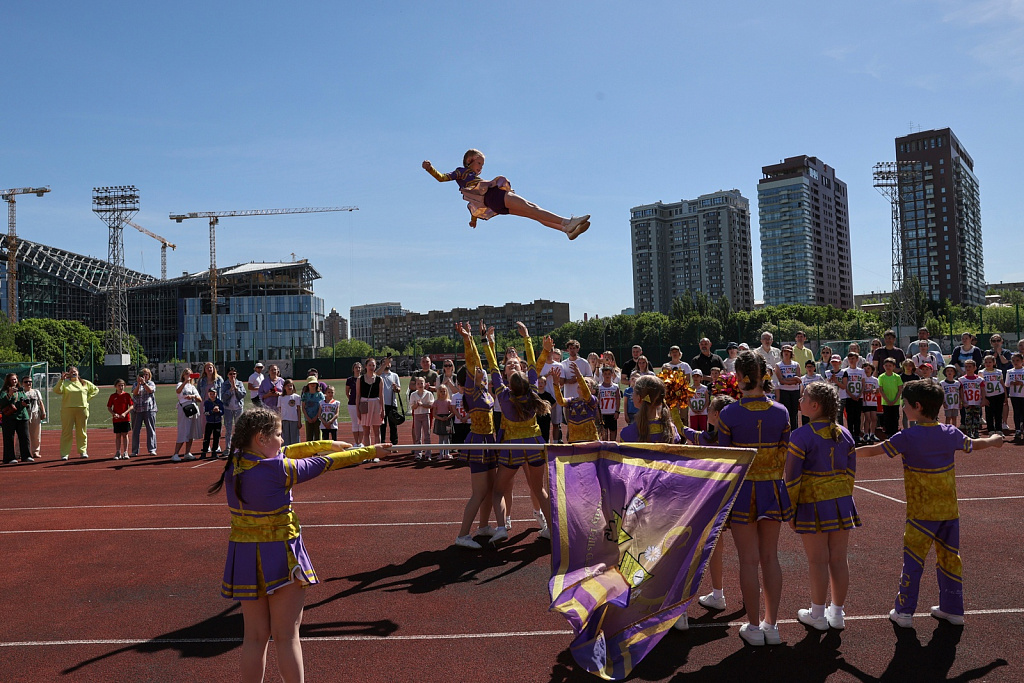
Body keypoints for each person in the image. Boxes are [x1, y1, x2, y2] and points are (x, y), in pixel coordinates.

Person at [209, 407, 389, 683]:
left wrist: (327, 443)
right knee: (286, 636)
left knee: (254, 638)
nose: (282, 441)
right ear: (261, 438)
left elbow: (289, 452)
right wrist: (371, 451)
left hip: (245, 557)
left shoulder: (235, 462)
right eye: (279, 435)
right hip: (280, 555)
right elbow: (327, 464)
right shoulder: (278, 470)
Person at [856, 380, 1004, 628]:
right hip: (949, 512)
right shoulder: (949, 432)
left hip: (920, 514)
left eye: (905, 404)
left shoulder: (907, 436)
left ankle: (904, 612)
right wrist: (994, 439)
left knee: (913, 561)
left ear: (917, 406)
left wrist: (846, 450)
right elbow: (974, 444)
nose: (903, 407)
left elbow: (873, 451)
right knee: (950, 558)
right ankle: (953, 609)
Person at [716, 351, 792, 646]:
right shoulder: (782, 412)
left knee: (748, 560)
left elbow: (725, 462)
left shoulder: (728, 413)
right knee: (770, 557)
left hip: (743, 493)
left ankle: (753, 626)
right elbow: (784, 451)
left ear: (739, 377)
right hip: (772, 490)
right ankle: (771, 626)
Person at [786, 381, 859, 631]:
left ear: (814, 405)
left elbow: (792, 479)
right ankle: (837, 614)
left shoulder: (800, 435)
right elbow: (851, 474)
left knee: (817, 561)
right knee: (839, 559)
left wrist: (791, 509)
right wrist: (843, 498)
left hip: (812, 503)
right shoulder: (845, 433)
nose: (800, 401)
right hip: (841, 502)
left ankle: (817, 614)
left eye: (804, 397)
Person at [423, 149, 591, 239]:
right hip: (494, 196)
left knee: (533, 215)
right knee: (532, 208)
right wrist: (430, 169)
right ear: (469, 161)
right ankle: (567, 222)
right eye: (479, 163)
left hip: (494, 204)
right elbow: (443, 178)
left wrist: (473, 220)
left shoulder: (473, 181)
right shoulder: (462, 172)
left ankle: (566, 230)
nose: (481, 167)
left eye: (482, 164)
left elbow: (473, 205)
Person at [485, 322, 551, 545]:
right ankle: (552, 529)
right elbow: (532, 365)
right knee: (539, 489)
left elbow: (493, 367)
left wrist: (487, 342)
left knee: (497, 490)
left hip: (512, 447)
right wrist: (527, 337)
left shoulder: (503, 395)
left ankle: (502, 527)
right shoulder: (532, 390)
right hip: (533, 444)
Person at [685, 394, 737, 620]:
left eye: (710, 409)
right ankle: (746, 593)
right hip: (740, 495)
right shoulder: (737, 434)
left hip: (715, 497)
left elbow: (696, 438)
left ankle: (718, 593)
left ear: (716, 415)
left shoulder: (712, 436)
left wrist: (678, 423)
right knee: (748, 550)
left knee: (713, 546)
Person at [453, 322, 501, 550]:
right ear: (469, 378)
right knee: (480, 491)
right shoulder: (472, 391)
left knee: (491, 488)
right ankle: (462, 535)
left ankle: (483, 526)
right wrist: (468, 338)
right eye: (476, 371)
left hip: (489, 440)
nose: (481, 370)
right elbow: (473, 362)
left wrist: (487, 341)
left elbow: (483, 362)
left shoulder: (483, 389)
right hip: (479, 441)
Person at [54, 366, 98, 460]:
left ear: (78, 373)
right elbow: (57, 390)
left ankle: (83, 451)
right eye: (71, 372)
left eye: (75, 371)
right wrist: (61, 380)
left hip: (82, 409)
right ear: (68, 373)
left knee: (82, 431)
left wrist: (87, 398)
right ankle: (65, 453)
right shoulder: (65, 383)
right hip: (67, 410)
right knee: (66, 432)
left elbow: (95, 390)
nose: (73, 373)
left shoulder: (84, 382)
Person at [621, 375, 680, 444]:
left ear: (639, 398)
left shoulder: (627, 433)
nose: (632, 395)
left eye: (633, 392)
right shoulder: (672, 430)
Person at [551, 363, 599, 443]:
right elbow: (560, 401)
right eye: (580, 382)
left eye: (586, 382)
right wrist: (556, 384)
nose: (580, 384)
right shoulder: (571, 401)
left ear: (593, 390)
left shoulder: (592, 400)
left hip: (590, 440)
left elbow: (586, 394)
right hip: (574, 440)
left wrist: (579, 377)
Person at [1, 373, 33, 463]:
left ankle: (26, 456)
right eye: (12, 379)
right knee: (9, 438)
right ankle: (10, 458)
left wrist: (25, 403)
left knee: (25, 437)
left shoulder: (20, 390)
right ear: (8, 380)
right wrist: (9, 395)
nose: (14, 381)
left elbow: (26, 400)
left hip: (22, 416)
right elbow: (2, 402)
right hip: (9, 417)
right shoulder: (4, 391)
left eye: (15, 379)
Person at [173, 369, 201, 462]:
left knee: (191, 431)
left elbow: (199, 399)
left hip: (192, 409)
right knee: (183, 430)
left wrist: (192, 396)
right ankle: (176, 454)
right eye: (186, 374)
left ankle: (187, 452)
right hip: (184, 409)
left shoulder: (192, 386)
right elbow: (178, 391)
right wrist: (185, 382)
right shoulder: (180, 384)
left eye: (190, 374)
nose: (188, 375)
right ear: (183, 375)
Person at [355, 358, 383, 447]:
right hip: (364, 405)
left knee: (376, 431)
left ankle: (377, 453)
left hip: (376, 404)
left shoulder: (379, 379)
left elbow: (381, 395)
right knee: (366, 432)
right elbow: (358, 395)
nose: (371, 367)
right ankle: (368, 453)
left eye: (373, 365)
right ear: (366, 366)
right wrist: (357, 410)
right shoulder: (360, 379)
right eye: (369, 365)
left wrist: (383, 410)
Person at [839, 352, 866, 445]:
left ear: (857, 359)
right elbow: (845, 385)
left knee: (857, 416)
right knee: (850, 417)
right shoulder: (845, 371)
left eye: (853, 358)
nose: (851, 360)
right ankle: (850, 434)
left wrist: (859, 395)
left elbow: (863, 384)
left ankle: (857, 435)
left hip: (859, 397)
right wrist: (851, 395)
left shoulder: (861, 371)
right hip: (849, 397)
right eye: (850, 358)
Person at [987, 335, 1013, 431]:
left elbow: (1006, 362)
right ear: (991, 342)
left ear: (1002, 341)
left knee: (1005, 402)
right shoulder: (988, 352)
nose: (996, 342)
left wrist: (999, 353)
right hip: (991, 381)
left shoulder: (1007, 352)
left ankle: (1004, 422)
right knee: (992, 402)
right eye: (994, 340)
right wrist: (994, 354)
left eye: (998, 340)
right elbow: (987, 363)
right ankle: (993, 421)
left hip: (1003, 378)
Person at [131, 369, 158, 458]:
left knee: (150, 430)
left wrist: (144, 383)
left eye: (146, 374)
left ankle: (152, 449)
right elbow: (135, 393)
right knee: (135, 431)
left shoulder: (151, 383)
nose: (144, 376)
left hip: (149, 409)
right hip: (137, 410)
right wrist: (139, 384)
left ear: (149, 375)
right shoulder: (135, 384)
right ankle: (135, 450)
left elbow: (150, 391)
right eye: (143, 374)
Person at [198, 362, 223, 453]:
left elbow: (222, 391)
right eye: (207, 368)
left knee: (216, 425)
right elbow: (198, 392)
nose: (209, 369)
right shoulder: (201, 380)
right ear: (204, 370)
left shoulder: (219, 379)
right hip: (205, 404)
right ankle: (207, 445)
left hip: (216, 404)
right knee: (206, 425)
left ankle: (217, 445)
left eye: (211, 367)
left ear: (214, 369)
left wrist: (220, 404)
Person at [220, 368, 247, 454]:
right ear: (228, 375)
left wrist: (236, 388)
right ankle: (228, 448)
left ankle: (239, 447)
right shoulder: (225, 384)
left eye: (234, 374)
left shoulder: (240, 383)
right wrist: (230, 390)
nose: (233, 376)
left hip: (238, 408)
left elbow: (243, 394)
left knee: (239, 428)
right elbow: (223, 397)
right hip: (228, 408)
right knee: (228, 429)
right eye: (231, 374)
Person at [775, 345, 801, 431]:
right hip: (784, 391)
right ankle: (786, 432)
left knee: (794, 413)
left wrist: (787, 380)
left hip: (795, 391)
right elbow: (781, 380)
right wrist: (794, 379)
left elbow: (799, 380)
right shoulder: (778, 365)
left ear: (791, 353)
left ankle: (795, 431)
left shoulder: (796, 364)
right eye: (784, 351)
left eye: (788, 351)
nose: (786, 353)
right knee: (786, 412)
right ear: (782, 353)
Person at [377, 356, 403, 446]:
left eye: (388, 362)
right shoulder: (379, 375)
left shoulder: (394, 375)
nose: (387, 364)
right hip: (381, 404)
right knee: (382, 425)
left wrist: (396, 388)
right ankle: (382, 443)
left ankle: (394, 443)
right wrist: (384, 364)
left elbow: (399, 389)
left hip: (392, 403)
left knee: (393, 425)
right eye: (384, 362)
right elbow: (376, 374)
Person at [106, 379, 134, 460]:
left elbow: (131, 406)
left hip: (125, 419)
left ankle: (125, 452)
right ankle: (118, 452)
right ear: (115, 386)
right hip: (116, 419)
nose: (121, 387)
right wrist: (114, 414)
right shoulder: (113, 396)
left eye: (122, 385)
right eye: (119, 385)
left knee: (125, 435)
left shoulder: (127, 395)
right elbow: (109, 407)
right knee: (118, 435)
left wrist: (125, 413)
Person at [409, 376, 434, 460]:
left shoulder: (428, 394)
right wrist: (417, 405)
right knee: (417, 435)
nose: (420, 385)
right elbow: (412, 407)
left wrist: (422, 404)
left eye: (421, 383)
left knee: (427, 435)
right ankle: (418, 453)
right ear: (416, 385)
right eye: (418, 383)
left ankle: (428, 454)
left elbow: (431, 405)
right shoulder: (413, 394)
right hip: (417, 415)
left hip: (425, 414)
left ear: (425, 384)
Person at [980, 354, 1006, 436]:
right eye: (986, 362)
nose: (988, 364)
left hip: (999, 395)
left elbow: (1002, 383)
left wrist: (1005, 395)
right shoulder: (981, 373)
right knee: (989, 414)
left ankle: (999, 430)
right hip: (988, 396)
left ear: (994, 362)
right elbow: (980, 386)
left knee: (998, 413)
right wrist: (983, 398)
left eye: (990, 362)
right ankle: (990, 430)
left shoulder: (998, 372)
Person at [21, 374, 45, 460]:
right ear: (22, 383)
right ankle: (18, 452)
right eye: (26, 382)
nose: (28, 383)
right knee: (22, 435)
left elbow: (40, 402)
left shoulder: (36, 391)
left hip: (35, 414)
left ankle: (35, 451)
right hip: (24, 415)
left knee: (36, 434)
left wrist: (43, 412)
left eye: (30, 382)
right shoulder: (21, 392)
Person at [878, 358, 904, 438]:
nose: (888, 367)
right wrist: (887, 400)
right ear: (883, 366)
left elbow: (900, 389)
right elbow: (881, 390)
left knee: (895, 417)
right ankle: (888, 433)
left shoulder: (897, 377)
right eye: (886, 365)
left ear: (893, 366)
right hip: (886, 402)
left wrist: (895, 400)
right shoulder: (881, 377)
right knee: (887, 417)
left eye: (890, 365)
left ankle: (895, 432)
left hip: (895, 402)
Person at [959, 359, 984, 438]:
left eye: (970, 366)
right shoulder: (962, 380)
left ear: (975, 368)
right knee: (968, 418)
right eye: (966, 367)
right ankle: (969, 432)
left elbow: (983, 390)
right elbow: (961, 391)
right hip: (968, 402)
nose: (968, 368)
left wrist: (983, 400)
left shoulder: (979, 379)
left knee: (977, 418)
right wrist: (963, 401)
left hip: (977, 402)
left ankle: (976, 432)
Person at [597, 366, 621, 440]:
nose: (607, 376)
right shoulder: (599, 387)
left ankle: (612, 449)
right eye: (605, 374)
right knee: (604, 433)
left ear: (611, 374)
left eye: (609, 374)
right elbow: (597, 401)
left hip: (612, 413)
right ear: (603, 375)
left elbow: (618, 399)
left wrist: (617, 411)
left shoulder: (615, 387)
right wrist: (598, 413)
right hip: (603, 413)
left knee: (613, 432)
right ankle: (605, 449)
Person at [432, 385, 454, 460]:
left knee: (447, 438)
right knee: (441, 438)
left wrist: (447, 417)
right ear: (438, 392)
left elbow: (452, 412)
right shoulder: (436, 402)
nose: (442, 393)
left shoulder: (449, 401)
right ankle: (441, 453)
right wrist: (440, 418)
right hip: (440, 421)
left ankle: (447, 453)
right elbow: (434, 414)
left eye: (444, 391)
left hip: (447, 421)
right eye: (441, 391)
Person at [202, 387, 225, 457]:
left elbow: (222, 412)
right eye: (211, 394)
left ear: (216, 394)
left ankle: (214, 451)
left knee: (216, 437)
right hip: (209, 422)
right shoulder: (206, 403)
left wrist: (218, 411)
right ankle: (204, 451)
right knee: (206, 437)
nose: (212, 395)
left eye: (213, 394)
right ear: (208, 394)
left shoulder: (219, 402)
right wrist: (212, 411)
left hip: (217, 422)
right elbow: (205, 413)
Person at [1006, 353, 1024, 443]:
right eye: (1013, 361)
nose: (1015, 362)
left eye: (1017, 360)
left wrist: (1022, 383)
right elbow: (1006, 384)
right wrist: (1011, 383)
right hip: (1014, 395)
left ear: (1022, 361)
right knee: (1016, 412)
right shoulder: (1010, 371)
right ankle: (1017, 430)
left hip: (1023, 395)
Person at [278, 380, 302, 447]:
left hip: (294, 420)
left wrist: (299, 421)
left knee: (294, 439)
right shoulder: (281, 397)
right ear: (284, 387)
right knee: (285, 439)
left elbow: (298, 410)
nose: (289, 387)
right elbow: (279, 410)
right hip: (284, 420)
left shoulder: (296, 397)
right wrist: (279, 422)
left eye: (291, 385)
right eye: (287, 385)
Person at [345, 362, 363, 447]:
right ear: (353, 369)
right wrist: (353, 400)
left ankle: (361, 442)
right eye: (356, 367)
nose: (358, 369)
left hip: (363, 404)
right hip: (352, 404)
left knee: (362, 423)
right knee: (355, 423)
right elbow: (347, 392)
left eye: (359, 367)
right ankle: (356, 442)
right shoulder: (350, 380)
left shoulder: (364, 379)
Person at [300, 377, 324, 443]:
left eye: (314, 383)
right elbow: (303, 407)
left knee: (318, 436)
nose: (312, 385)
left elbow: (321, 407)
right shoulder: (305, 395)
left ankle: (318, 452)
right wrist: (307, 417)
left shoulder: (320, 394)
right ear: (308, 384)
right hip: (308, 419)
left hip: (318, 418)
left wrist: (317, 416)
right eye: (311, 383)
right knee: (309, 437)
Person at [862, 363, 880, 444]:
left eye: (868, 368)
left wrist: (876, 391)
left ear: (872, 370)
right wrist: (867, 391)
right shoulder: (863, 379)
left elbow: (878, 391)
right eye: (865, 368)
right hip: (865, 402)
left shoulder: (875, 380)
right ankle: (866, 434)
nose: (866, 370)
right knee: (867, 418)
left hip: (873, 402)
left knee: (874, 418)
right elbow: (861, 390)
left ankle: (872, 434)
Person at [899, 360, 919, 429]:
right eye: (906, 365)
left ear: (913, 367)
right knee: (905, 415)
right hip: (904, 398)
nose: (908, 367)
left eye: (910, 366)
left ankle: (912, 430)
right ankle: (906, 430)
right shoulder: (900, 377)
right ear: (903, 366)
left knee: (913, 415)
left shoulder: (916, 377)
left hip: (913, 398)